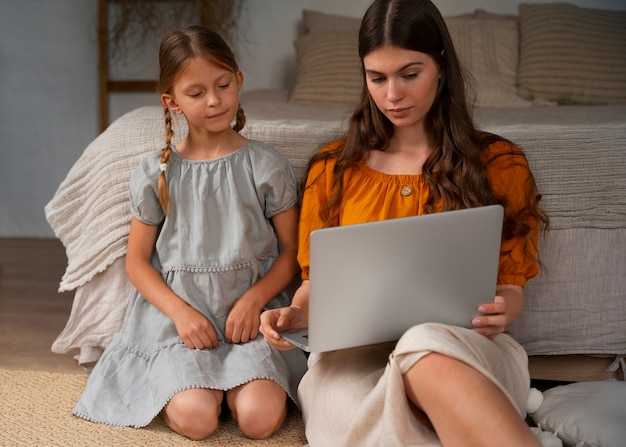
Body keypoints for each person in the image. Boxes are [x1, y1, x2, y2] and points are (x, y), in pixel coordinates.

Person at [260, 0, 549, 446]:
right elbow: (318, 284)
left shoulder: (499, 164)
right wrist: (294, 316)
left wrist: (501, 311)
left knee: (426, 349)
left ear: (442, 67)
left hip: (461, 348)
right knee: (346, 412)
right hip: (351, 362)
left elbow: (510, 288)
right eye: (377, 78)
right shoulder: (333, 169)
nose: (392, 95)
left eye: (409, 75)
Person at [72, 26, 307, 441]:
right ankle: (202, 389)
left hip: (250, 316)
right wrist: (181, 314)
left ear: (239, 80)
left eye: (223, 85)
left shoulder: (266, 165)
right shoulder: (154, 173)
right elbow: (137, 263)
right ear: (172, 102)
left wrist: (254, 300)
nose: (214, 100)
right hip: (178, 319)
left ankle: (238, 384)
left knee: (259, 420)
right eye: (196, 93)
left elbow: (292, 254)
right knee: (197, 421)